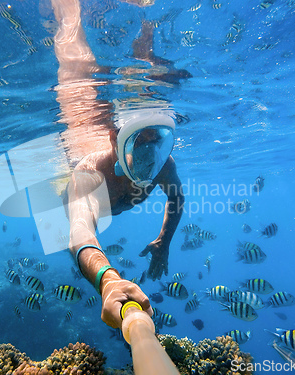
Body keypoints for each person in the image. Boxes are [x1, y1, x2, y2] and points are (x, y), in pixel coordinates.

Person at [52, 0, 187, 329]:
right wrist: (107, 279)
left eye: (155, 143)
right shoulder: (91, 171)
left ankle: (147, 21)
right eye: (136, 144)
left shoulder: (162, 163)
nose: (148, 159)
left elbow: (176, 199)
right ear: (115, 140)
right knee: (77, 60)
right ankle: (67, 10)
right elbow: (80, 232)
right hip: (67, 180)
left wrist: (163, 242)